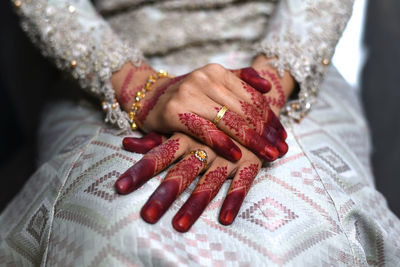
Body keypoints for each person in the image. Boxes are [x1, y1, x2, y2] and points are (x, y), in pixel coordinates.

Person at [1, 0, 399, 266]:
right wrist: (141, 89)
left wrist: (257, 98)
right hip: (111, 63)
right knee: (114, 220)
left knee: (297, 226)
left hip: (284, 61)